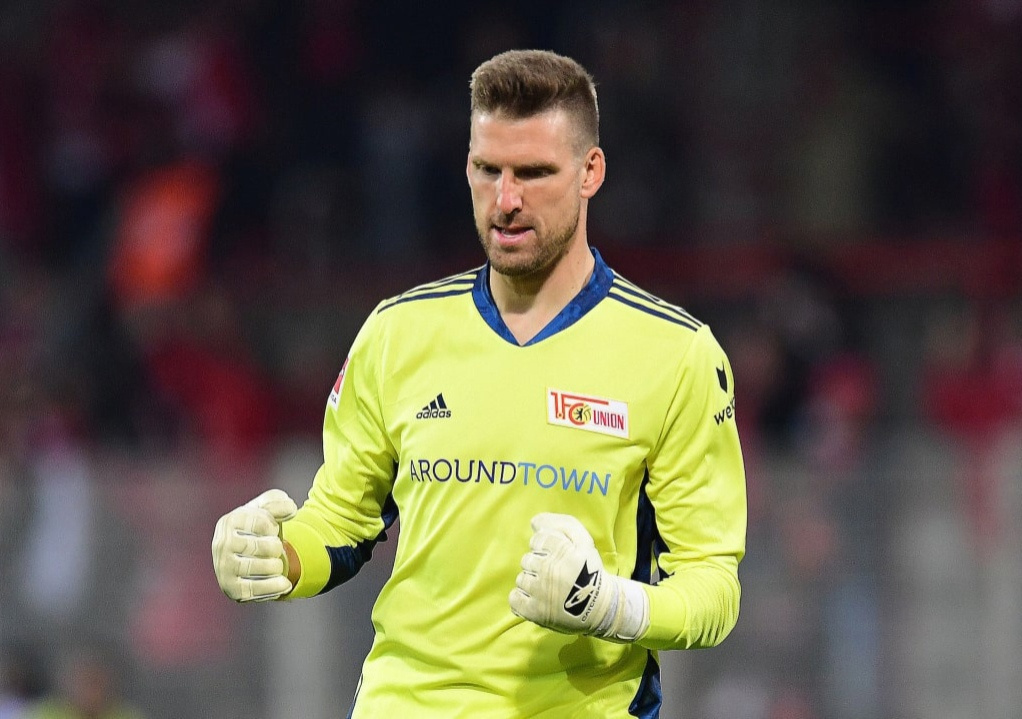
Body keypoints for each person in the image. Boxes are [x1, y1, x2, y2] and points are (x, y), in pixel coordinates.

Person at [212, 49, 747, 718]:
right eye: (487, 170)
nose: (506, 200)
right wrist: (275, 557)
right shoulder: (398, 333)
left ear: (591, 172)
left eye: (534, 173)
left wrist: (609, 605)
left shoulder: (676, 355)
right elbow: (342, 523)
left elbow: (712, 588)